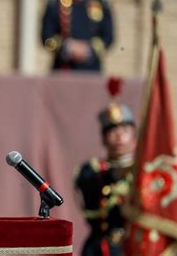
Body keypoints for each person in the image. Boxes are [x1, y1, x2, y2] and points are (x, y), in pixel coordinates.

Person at [74, 101, 137, 255]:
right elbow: (91, 204)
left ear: (135, 136)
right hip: (103, 248)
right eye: (113, 130)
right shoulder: (92, 171)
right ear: (103, 138)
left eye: (125, 130)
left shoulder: (146, 169)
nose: (119, 136)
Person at [41, 0, 114, 72]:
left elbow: (108, 38)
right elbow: (46, 38)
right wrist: (67, 47)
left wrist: (88, 49)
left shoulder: (100, 4)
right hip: (63, 70)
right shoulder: (55, 4)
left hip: (92, 70)